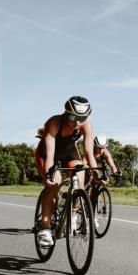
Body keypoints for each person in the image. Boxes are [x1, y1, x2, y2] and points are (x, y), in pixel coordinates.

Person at [33, 96, 99, 248]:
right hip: (48, 153)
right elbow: (50, 155)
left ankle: (73, 215)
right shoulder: (54, 122)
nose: (77, 122)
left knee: (81, 179)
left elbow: (89, 152)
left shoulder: (86, 126)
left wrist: (96, 172)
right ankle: (44, 227)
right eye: (73, 116)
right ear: (66, 112)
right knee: (54, 183)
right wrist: (49, 173)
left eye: (82, 117)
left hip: (68, 153)